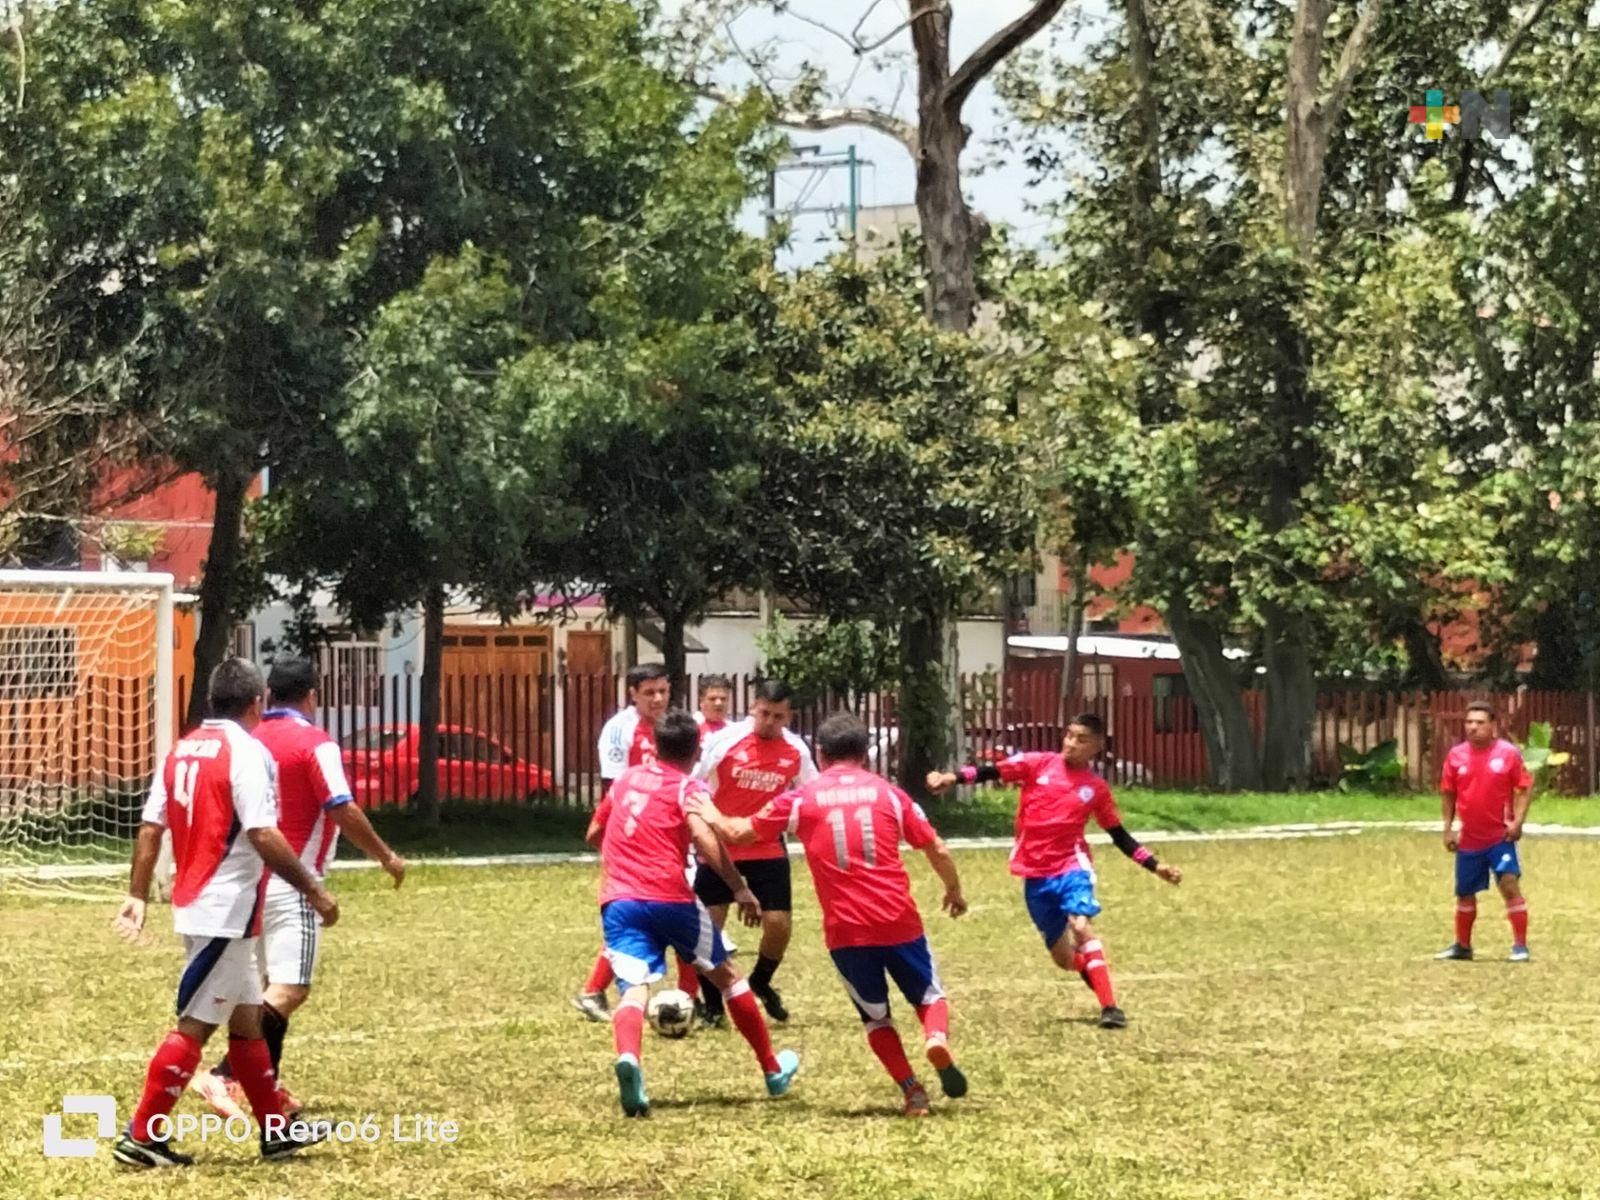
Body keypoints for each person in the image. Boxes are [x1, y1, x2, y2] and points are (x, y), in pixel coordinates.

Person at [109, 658, 337, 1167]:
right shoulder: (246, 752)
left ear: (212, 701)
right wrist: (314, 890)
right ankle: (142, 1136)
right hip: (226, 910)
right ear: (257, 703)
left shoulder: (182, 749)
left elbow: (150, 829)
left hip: (198, 901)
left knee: (248, 1022)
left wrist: (138, 894)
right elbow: (262, 832)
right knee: (196, 1024)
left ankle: (276, 1134)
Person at [698, 712, 968, 1117]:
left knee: (876, 1018)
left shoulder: (802, 799)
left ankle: (912, 1091)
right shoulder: (889, 793)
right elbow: (938, 849)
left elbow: (737, 833)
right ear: (863, 754)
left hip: (846, 930)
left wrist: (708, 809)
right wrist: (953, 890)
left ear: (820, 755)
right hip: (898, 918)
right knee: (930, 996)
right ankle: (936, 1037)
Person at [192, 658, 406, 1121]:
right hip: (293, 882)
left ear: (267, 696)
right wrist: (386, 855)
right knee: (289, 990)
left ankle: (267, 1087)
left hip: (248, 882)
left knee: (262, 989)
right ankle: (224, 1073)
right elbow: (341, 807)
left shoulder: (248, 740)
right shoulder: (316, 743)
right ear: (312, 696)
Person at [597, 710, 800, 1117]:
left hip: (619, 900)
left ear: (653, 747)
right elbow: (706, 837)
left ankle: (630, 1059)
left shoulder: (625, 781)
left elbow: (594, 832)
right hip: (671, 898)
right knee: (727, 977)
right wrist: (739, 887)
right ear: (696, 751)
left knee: (634, 988)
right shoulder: (687, 787)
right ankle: (773, 1070)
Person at [927, 712, 1182, 1028]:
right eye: (1070, 735)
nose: (1072, 743)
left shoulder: (1096, 788)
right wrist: (952, 778)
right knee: (1063, 960)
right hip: (1035, 874)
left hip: (1072, 867)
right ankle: (1091, 968)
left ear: (1097, 746)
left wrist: (1156, 866)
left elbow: (1119, 835)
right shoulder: (1039, 764)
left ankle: (1111, 1008)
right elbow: (992, 771)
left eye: (1082, 739)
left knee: (1080, 924)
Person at [572, 663, 695, 1021]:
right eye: (649, 692)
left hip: (669, 836)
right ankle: (690, 996)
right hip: (633, 838)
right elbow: (614, 792)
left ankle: (595, 991)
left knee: (658, 914)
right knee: (660, 914)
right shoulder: (619, 730)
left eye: (663, 691)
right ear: (633, 694)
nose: (658, 699)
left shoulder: (675, 727)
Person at [690, 679, 816, 1026]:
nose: (770, 722)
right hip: (719, 848)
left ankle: (761, 981)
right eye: (764, 714)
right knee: (708, 930)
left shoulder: (796, 751)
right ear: (752, 709)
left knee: (779, 926)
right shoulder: (724, 742)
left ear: (788, 716)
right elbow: (694, 783)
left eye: (778, 716)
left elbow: (812, 794)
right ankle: (714, 1006)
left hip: (767, 847)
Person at [1434, 701, 1534, 963]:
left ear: (1493, 725)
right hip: (1469, 839)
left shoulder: (1508, 754)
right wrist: (1448, 828)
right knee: (1465, 892)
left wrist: (1518, 821)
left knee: (1509, 884)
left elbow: (1524, 788)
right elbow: (1448, 793)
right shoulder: (1456, 756)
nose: (1473, 727)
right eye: (1469, 722)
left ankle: (1520, 946)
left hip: (1500, 838)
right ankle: (1463, 946)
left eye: (1480, 722)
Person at [696, 674, 732, 738]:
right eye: (712, 699)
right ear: (701, 701)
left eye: (723, 699)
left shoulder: (736, 732)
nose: (719, 703)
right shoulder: (693, 732)